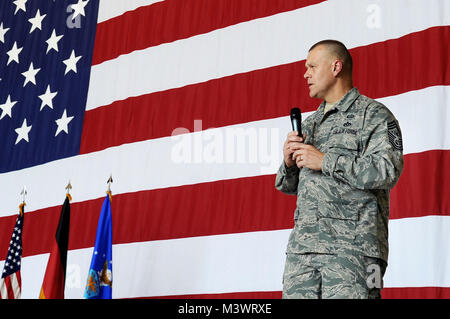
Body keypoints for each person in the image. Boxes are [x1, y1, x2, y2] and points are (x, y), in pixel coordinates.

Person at [275, 40, 404, 299]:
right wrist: (288, 163)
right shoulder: (309, 124)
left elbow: (388, 170)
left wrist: (326, 161)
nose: (305, 73)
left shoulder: (377, 116)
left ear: (336, 67)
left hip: (356, 252)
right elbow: (288, 186)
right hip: (304, 253)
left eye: (312, 66)